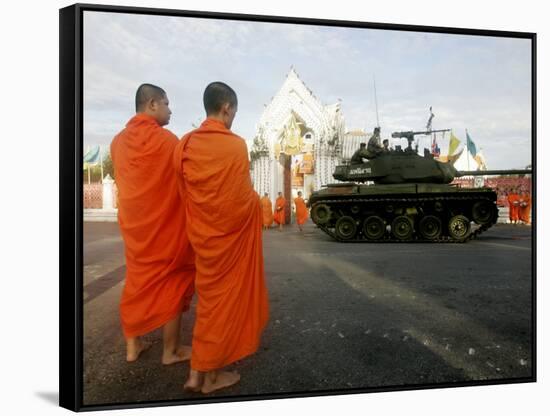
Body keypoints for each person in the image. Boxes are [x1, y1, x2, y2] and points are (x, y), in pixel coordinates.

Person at [173, 81, 269, 394]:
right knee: (221, 308)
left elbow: (183, 193)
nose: (233, 120)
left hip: (202, 238)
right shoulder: (236, 145)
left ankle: (195, 373)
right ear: (226, 108)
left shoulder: (185, 144)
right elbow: (240, 201)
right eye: (234, 113)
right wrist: (257, 205)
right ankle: (211, 378)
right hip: (228, 242)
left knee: (209, 305)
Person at [111, 83, 196, 365]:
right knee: (174, 282)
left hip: (136, 232)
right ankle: (170, 351)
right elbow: (186, 180)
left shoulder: (117, 142)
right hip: (167, 232)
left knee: (136, 282)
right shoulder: (167, 141)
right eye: (167, 104)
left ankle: (132, 347)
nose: (170, 110)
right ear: (152, 105)